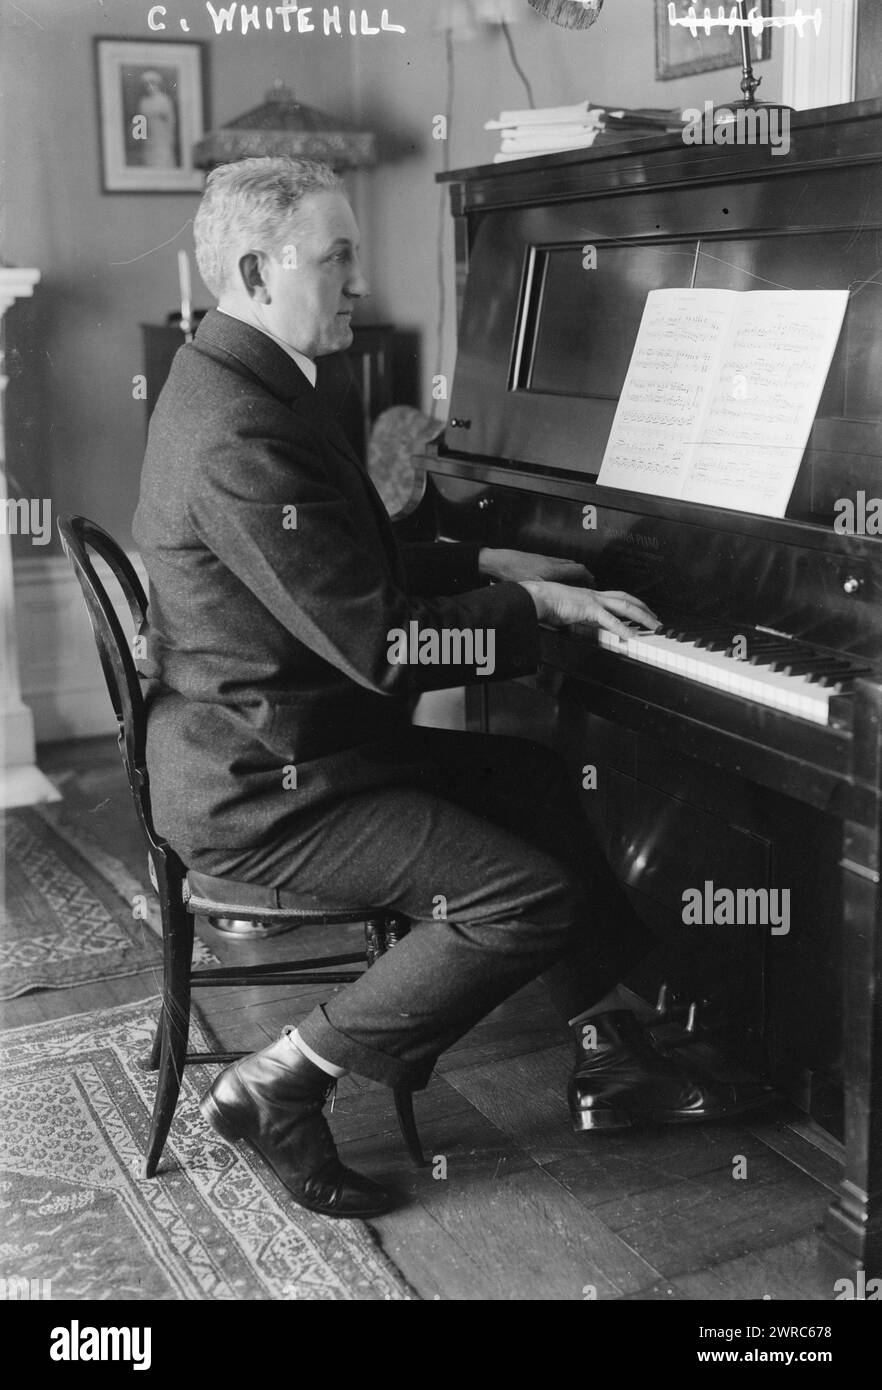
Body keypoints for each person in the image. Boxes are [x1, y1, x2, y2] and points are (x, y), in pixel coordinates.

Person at [133, 157, 767, 1219]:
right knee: (523, 896)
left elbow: (336, 571)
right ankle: (286, 1077)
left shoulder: (242, 380)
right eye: (336, 259)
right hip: (267, 787)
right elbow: (382, 649)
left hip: (276, 737)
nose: (356, 283)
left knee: (531, 775)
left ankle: (611, 1041)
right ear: (255, 268)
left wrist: (488, 568)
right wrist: (542, 610)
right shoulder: (242, 430)